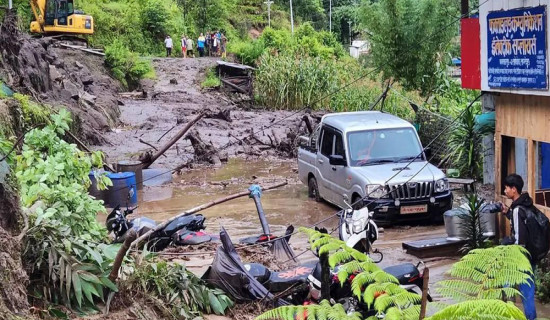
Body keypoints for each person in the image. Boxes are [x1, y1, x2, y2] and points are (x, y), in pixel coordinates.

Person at [500, 173, 537, 320]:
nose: (505, 191)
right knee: (528, 292)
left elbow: (520, 240)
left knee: (517, 289)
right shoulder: (526, 203)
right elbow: (523, 224)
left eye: (506, 188)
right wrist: (507, 213)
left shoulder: (517, 209)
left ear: (513, 189)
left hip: (521, 257)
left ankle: (513, 314)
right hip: (531, 254)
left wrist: (509, 246)